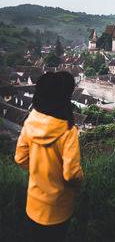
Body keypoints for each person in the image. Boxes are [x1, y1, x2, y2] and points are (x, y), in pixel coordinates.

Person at [15, 71, 84, 242]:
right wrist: (80, 182)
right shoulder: (68, 131)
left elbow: (20, 158)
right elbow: (72, 174)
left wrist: (40, 172)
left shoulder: (30, 122)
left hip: (34, 204)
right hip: (59, 207)